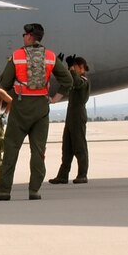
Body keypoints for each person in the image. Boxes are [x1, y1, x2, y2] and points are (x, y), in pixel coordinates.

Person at [0, 21, 71, 201]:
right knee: (38, 151)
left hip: (20, 107)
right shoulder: (50, 56)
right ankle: (34, 190)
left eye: (24, 35)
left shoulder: (17, 55)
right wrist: (55, 98)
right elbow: (67, 80)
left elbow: (5, 83)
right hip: (41, 108)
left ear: (28, 36)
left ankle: (4, 191)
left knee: (11, 149)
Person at [50, 54, 91, 184]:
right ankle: (63, 175)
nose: (72, 69)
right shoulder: (76, 78)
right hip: (71, 115)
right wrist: (61, 65)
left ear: (81, 67)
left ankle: (82, 174)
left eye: (74, 67)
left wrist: (71, 71)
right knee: (66, 147)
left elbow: (76, 82)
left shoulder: (84, 80)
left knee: (79, 146)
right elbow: (66, 80)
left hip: (78, 115)